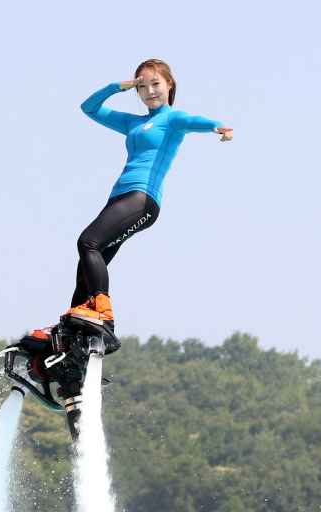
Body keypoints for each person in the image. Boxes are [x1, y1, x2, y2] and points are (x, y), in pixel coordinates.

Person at [58, 58, 233, 330]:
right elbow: (88, 108)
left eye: (155, 83)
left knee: (87, 242)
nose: (150, 91)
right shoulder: (133, 123)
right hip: (118, 199)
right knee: (86, 269)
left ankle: (103, 314)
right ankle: (71, 334)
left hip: (142, 199)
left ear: (169, 85)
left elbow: (191, 120)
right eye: (143, 86)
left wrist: (217, 127)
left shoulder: (172, 119)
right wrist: (117, 87)